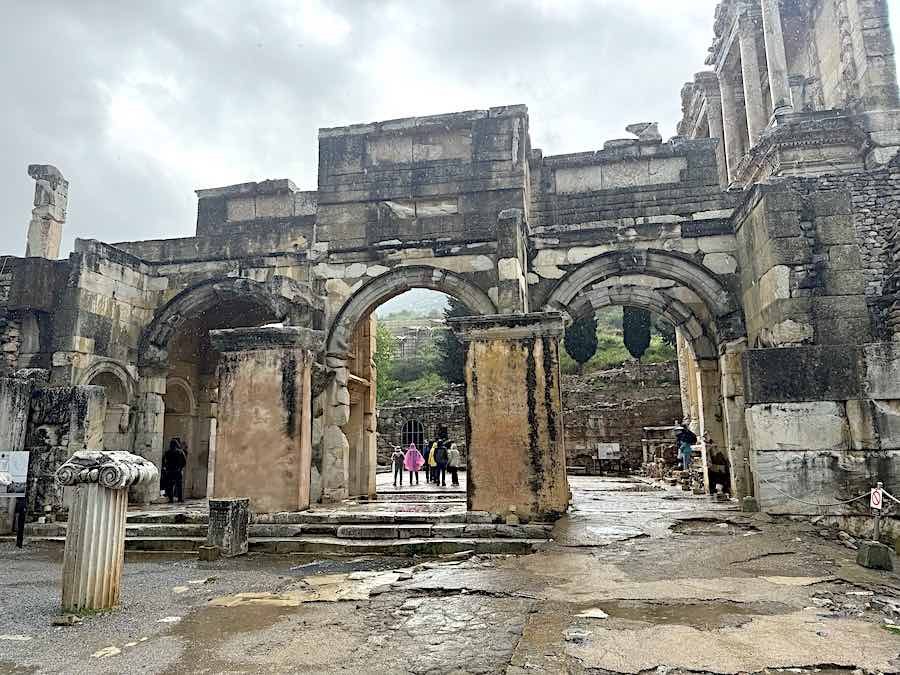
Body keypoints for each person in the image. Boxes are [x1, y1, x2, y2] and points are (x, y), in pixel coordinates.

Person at [162, 439, 187, 503]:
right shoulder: (180, 452)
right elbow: (184, 462)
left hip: (170, 471)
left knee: (170, 486)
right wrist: (180, 467)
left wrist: (166, 468)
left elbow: (164, 461)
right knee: (178, 486)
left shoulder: (167, 452)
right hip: (177, 471)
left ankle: (171, 499)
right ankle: (179, 498)